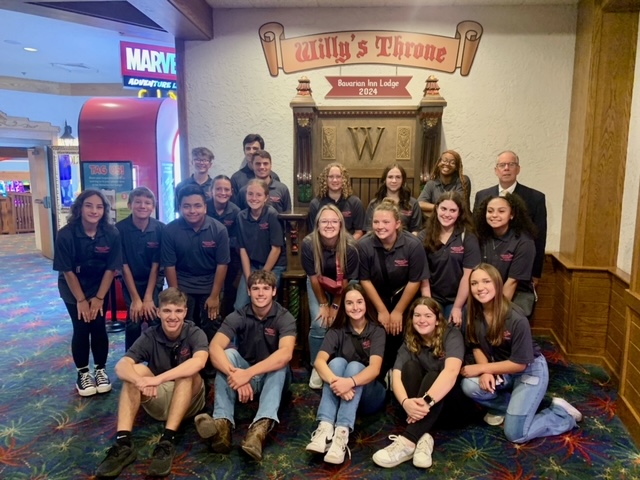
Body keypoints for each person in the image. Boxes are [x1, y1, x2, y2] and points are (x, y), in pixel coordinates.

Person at [460, 264, 582, 442]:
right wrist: (486, 371)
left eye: (486, 281)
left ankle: (561, 414)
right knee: (469, 386)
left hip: (528, 369)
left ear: (497, 283)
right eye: (474, 283)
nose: (480, 288)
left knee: (516, 434)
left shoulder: (516, 317)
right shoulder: (470, 311)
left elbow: (520, 363)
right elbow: (475, 344)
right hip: (500, 367)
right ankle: (527, 408)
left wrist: (481, 367)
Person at [95, 288, 209, 478]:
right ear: (158, 312)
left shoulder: (195, 332)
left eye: (178, 311)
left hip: (190, 401)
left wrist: (157, 379)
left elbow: (199, 361)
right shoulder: (150, 335)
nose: (173, 317)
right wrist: (138, 380)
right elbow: (121, 366)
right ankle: (123, 444)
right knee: (134, 371)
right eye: (167, 311)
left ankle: (167, 441)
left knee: (187, 372)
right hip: (159, 396)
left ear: (185, 312)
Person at [194, 270, 297, 461]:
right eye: (255, 288)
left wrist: (247, 374)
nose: (260, 293)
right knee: (227, 354)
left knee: (279, 363)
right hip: (243, 375)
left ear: (274, 291)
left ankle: (258, 431)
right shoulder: (238, 315)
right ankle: (222, 427)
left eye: (266, 288)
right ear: (248, 291)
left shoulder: (285, 317)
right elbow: (214, 346)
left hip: (272, 379)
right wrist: (236, 376)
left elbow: (286, 354)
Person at [372, 297, 469, 469]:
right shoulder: (410, 340)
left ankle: (408, 442)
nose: (422, 320)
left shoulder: (451, 334)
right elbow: (396, 375)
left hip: (449, 405)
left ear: (438, 320)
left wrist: (425, 403)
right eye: (417, 315)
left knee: (434, 375)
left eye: (428, 315)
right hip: (418, 411)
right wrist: (405, 403)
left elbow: (452, 372)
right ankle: (424, 436)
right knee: (409, 367)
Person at [305, 284, 386, 464]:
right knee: (335, 363)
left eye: (359, 302)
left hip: (370, 395)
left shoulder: (377, 331)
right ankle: (325, 428)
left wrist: (349, 382)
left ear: (366, 304)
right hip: (343, 392)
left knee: (356, 366)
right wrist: (338, 383)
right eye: (349, 303)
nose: (355, 307)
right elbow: (319, 362)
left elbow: (375, 369)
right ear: (344, 306)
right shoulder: (337, 330)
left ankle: (341, 433)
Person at [53, 189, 122, 397]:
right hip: (73, 287)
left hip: (100, 285)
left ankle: (100, 370)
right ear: (80, 208)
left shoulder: (111, 233)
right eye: (89, 206)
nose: (94, 210)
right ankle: (83, 373)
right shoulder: (66, 234)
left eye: (99, 207)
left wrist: (99, 298)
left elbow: (111, 268)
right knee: (82, 327)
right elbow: (67, 271)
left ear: (105, 210)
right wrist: (82, 300)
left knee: (99, 326)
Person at [359, 199, 430, 376]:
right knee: (378, 333)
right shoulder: (364, 245)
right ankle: (377, 371)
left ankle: (400, 370)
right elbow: (365, 280)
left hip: (404, 297)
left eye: (385, 222)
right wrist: (382, 310)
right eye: (376, 222)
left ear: (397, 223)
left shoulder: (413, 245)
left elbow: (416, 280)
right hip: (377, 297)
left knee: (402, 332)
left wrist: (398, 311)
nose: (380, 226)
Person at [302, 205, 359, 389]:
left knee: (339, 321)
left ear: (341, 225)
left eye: (334, 221)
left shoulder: (350, 246)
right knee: (320, 323)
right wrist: (323, 303)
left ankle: (339, 364)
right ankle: (316, 367)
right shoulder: (308, 244)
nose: (329, 225)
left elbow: (346, 283)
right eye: (324, 221)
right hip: (318, 284)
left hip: (341, 286)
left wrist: (334, 306)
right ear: (317, 225)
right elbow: (313, 278)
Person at [161, 185, 230, 337]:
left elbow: (222, 264)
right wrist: (177, 296)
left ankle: (210, 360)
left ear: (205, 207)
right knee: (183, 325)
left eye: (197, 206)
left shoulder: (219, 230)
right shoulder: (169, 231)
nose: (192, 211)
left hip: (210, 285)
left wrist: (214, 296)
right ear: (179, 208)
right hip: (183, 285)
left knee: (212, 325)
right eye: (187, 206)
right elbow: (169, 265)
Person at [473, 150, 547, 286]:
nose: (506, 168)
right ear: (496, 170)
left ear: (518, 169)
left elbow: (540, 237)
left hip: (521, 269)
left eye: (511, 164)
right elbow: (476, 232)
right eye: (502, 165)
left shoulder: (535, 198)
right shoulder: (482, 196)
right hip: (488, 265)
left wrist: (536, 273)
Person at [419, 192, 480, 327]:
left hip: (458, 299)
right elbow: (423, 275)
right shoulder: (424, 235)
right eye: (443, 209)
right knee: (430, 327)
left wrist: (457, 307)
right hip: (432, 296)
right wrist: (428, 303)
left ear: (459, 213)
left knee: (452, 329)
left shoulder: (467, 237)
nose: (447, 214)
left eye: (453, 210)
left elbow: (468, 276)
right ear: (436, 209)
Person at [116, 187, 164, 351]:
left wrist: (149, 297)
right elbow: (123, 266)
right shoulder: (119, 230)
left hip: (153, 281)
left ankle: (157, 358)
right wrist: (136, 299)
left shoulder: (160, 229)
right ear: (130, 205)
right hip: (131, 282)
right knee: (134, 320)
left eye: (147, 203)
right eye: (138, 202)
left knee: (154, 318)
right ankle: (131, 360)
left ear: (153, 207)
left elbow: (156, 265)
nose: (142, 206)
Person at [474, 193, 537, 315]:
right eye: (490, 211)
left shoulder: (524, 242)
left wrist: (494, 312)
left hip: (515, 294)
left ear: (512, 215)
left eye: (501, 211)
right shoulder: (479, 237)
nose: (494, 215)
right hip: (485, 291)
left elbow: (512, 282)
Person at [234, 179, 287, 311]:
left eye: (258, 195)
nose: (254, 198)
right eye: (250, 194)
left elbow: (276, 249)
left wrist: (260, 277)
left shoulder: (272, 215)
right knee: (240, 306)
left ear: (266, 197)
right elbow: (242, 250)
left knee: (263, 300)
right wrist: (249, 279)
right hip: (253, 265)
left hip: (274, 265)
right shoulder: (241, 217)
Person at [206, 175, 241, 317]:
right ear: (211, 191)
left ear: (231, 192)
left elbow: (238, 239)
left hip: (231, 259)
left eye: (226, 189)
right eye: (218, 189)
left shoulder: (236, 212)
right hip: (206, 257)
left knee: (229, 294)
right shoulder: (203, 207)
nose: (222, 192)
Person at [307, 163, 365, 239]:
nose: (334, 180)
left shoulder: (355, 203)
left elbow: (359, 232)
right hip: (323, 246)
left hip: (348, 246)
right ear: (325, 179)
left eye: (338, 177)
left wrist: (346, 247)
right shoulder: (315, 204)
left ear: (344, 179)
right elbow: (313, 233)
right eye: (331, 177)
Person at [364, 164, 422, 235]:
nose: (394, 181)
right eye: (390, 177)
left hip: (406, 243)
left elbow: (415, 231)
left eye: (398, 177)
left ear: (403, 180)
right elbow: (369, 231)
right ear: (385, 180)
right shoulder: (374, 204)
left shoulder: (413, 204)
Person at [418, 150, 471, 215]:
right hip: (438, 221)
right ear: (438, 163)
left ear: (456, 167)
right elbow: (420, 203)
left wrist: (436, 208)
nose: (447, 164)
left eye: (452, 162)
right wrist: (439, 207)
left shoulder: (463, 180)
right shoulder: (431, 184)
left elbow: (456, 205)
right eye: (444, 160)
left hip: (459, 221)